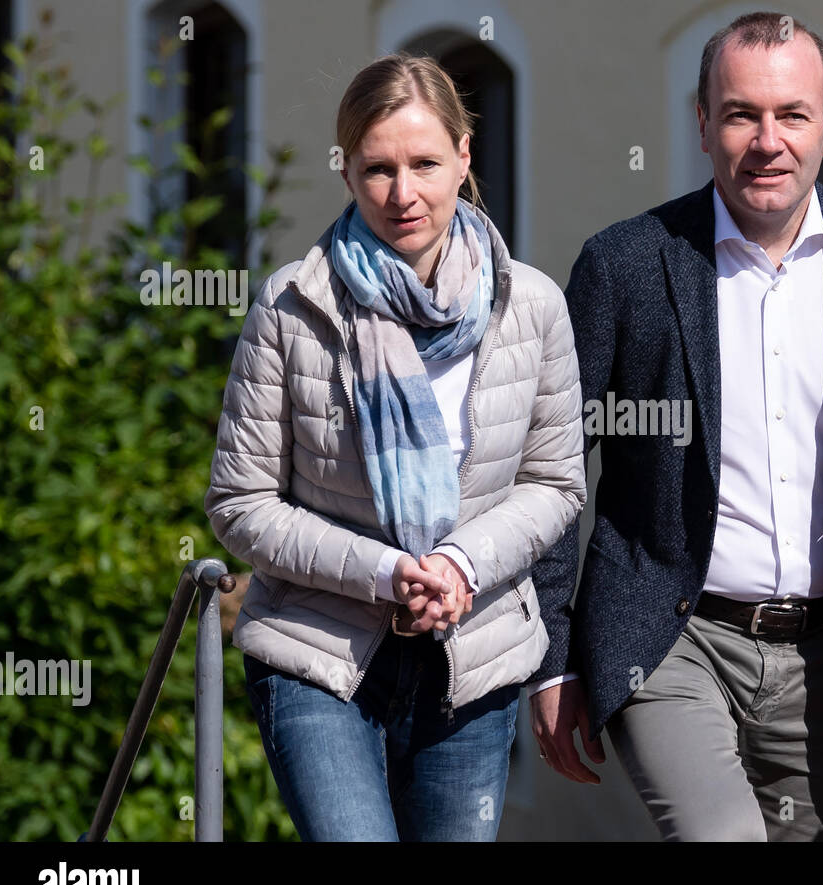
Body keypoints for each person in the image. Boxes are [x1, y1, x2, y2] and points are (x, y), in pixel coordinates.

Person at [528, 11, 823, 841]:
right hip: (671, 637)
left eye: (792, 115)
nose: (767, 141)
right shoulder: (624, 266)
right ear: (702, 125)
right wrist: (550, 661)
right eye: (741, 114)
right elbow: (552, 474)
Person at [204, 53, 585, 841]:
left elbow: (554, 483)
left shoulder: (534, 306)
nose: (402, 193)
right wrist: (386, 572)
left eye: (424, 164)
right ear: (345, 170)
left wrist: (458, 566)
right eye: (377, 168)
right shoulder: (291, 305)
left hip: (473, 655)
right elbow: (239, 504)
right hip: (319, 652)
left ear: (465, 157)